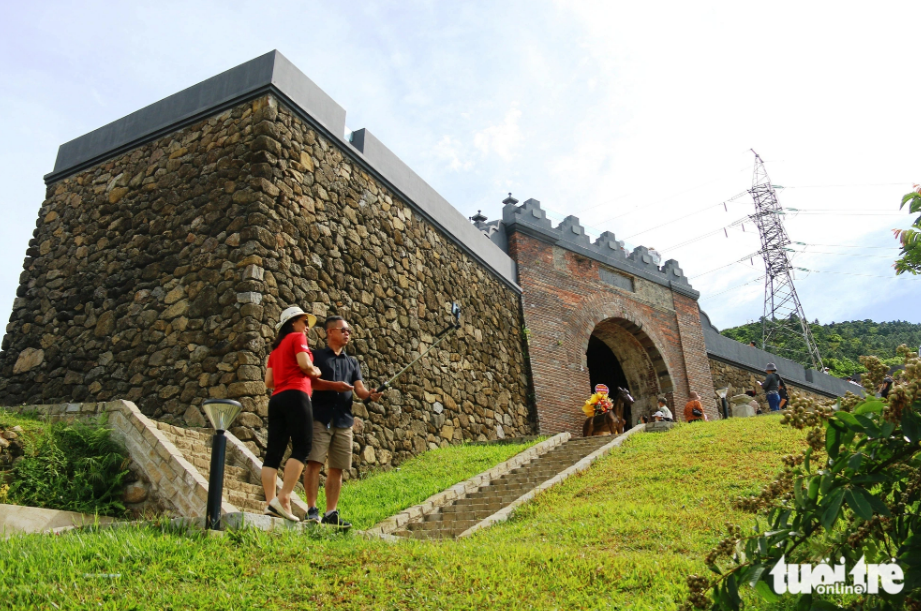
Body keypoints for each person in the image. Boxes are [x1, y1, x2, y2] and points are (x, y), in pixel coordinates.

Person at [304, 316, 383, 528]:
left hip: (343, 420)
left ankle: (331, 512)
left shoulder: (352, 362)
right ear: (330, 332)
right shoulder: (317, 356)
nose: (347, 333)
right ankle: (311, 510)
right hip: (320, 416)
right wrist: (333, 386)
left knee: (337, 468)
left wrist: (370, 394)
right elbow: (311, 382)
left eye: (348, 330)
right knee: (314, 462)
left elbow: (360, 389)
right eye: (343, 330)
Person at [262, 306, 321, 522]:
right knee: (303, 446)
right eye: (304, 322)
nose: (307, 327)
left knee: (273, 453)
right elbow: (305, 364)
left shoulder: (275, 352)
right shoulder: (297, 338)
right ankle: (285, 497)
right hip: (297, 394)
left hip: (277, 399)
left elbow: (269, 382)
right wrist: (316, 370)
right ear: (293, 323)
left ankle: (271, 503)